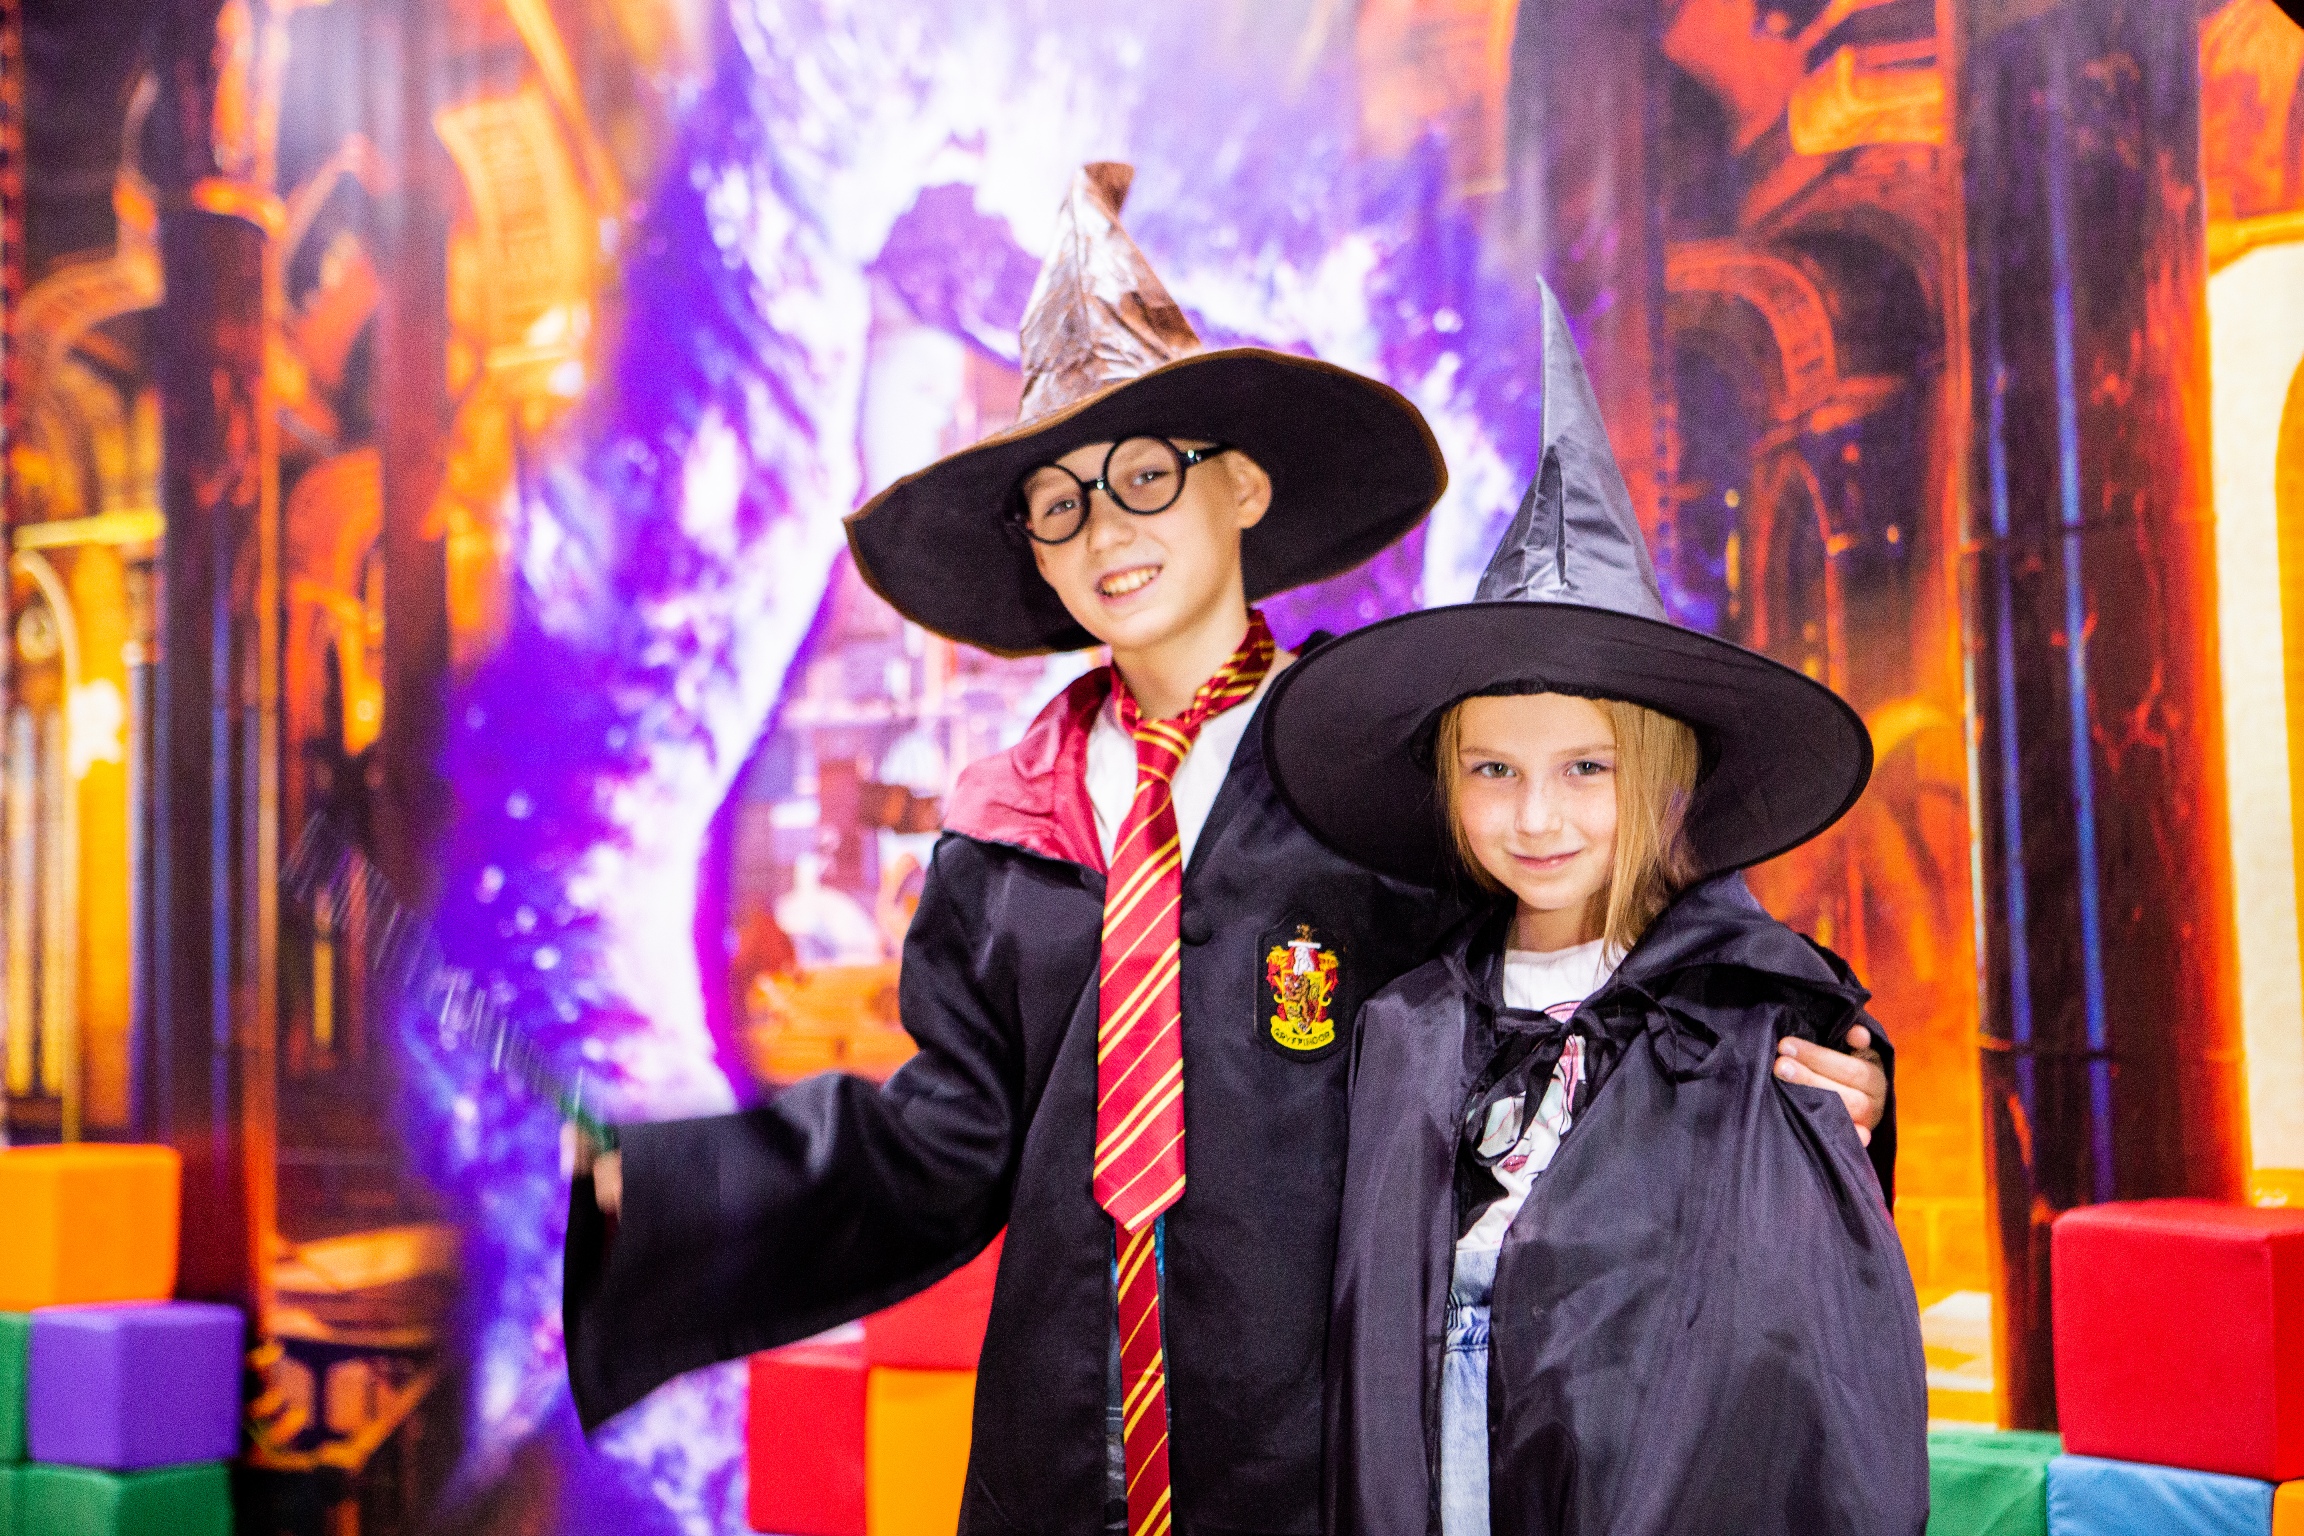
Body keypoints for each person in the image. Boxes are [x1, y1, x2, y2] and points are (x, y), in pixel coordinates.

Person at [563, 164, 1895, 1536]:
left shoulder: (1382, 783)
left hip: (1322, 1454)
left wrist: (1799, 1078)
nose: (1107, 530)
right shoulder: (1006, 835)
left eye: (1146, 476)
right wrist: (659, 1197)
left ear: (1244, 484)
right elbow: (940, 1148)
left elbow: (1617, 945)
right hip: (1058, 1466)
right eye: (1060, 504)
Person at [1262, 285, 1927, 1536]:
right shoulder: (1407, 1022)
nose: (1537, 817)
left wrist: (1848, 1126)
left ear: (1664, 778)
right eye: (1492, 770)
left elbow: (1808, 1348)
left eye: (1586, 768)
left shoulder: (1748, 1014)